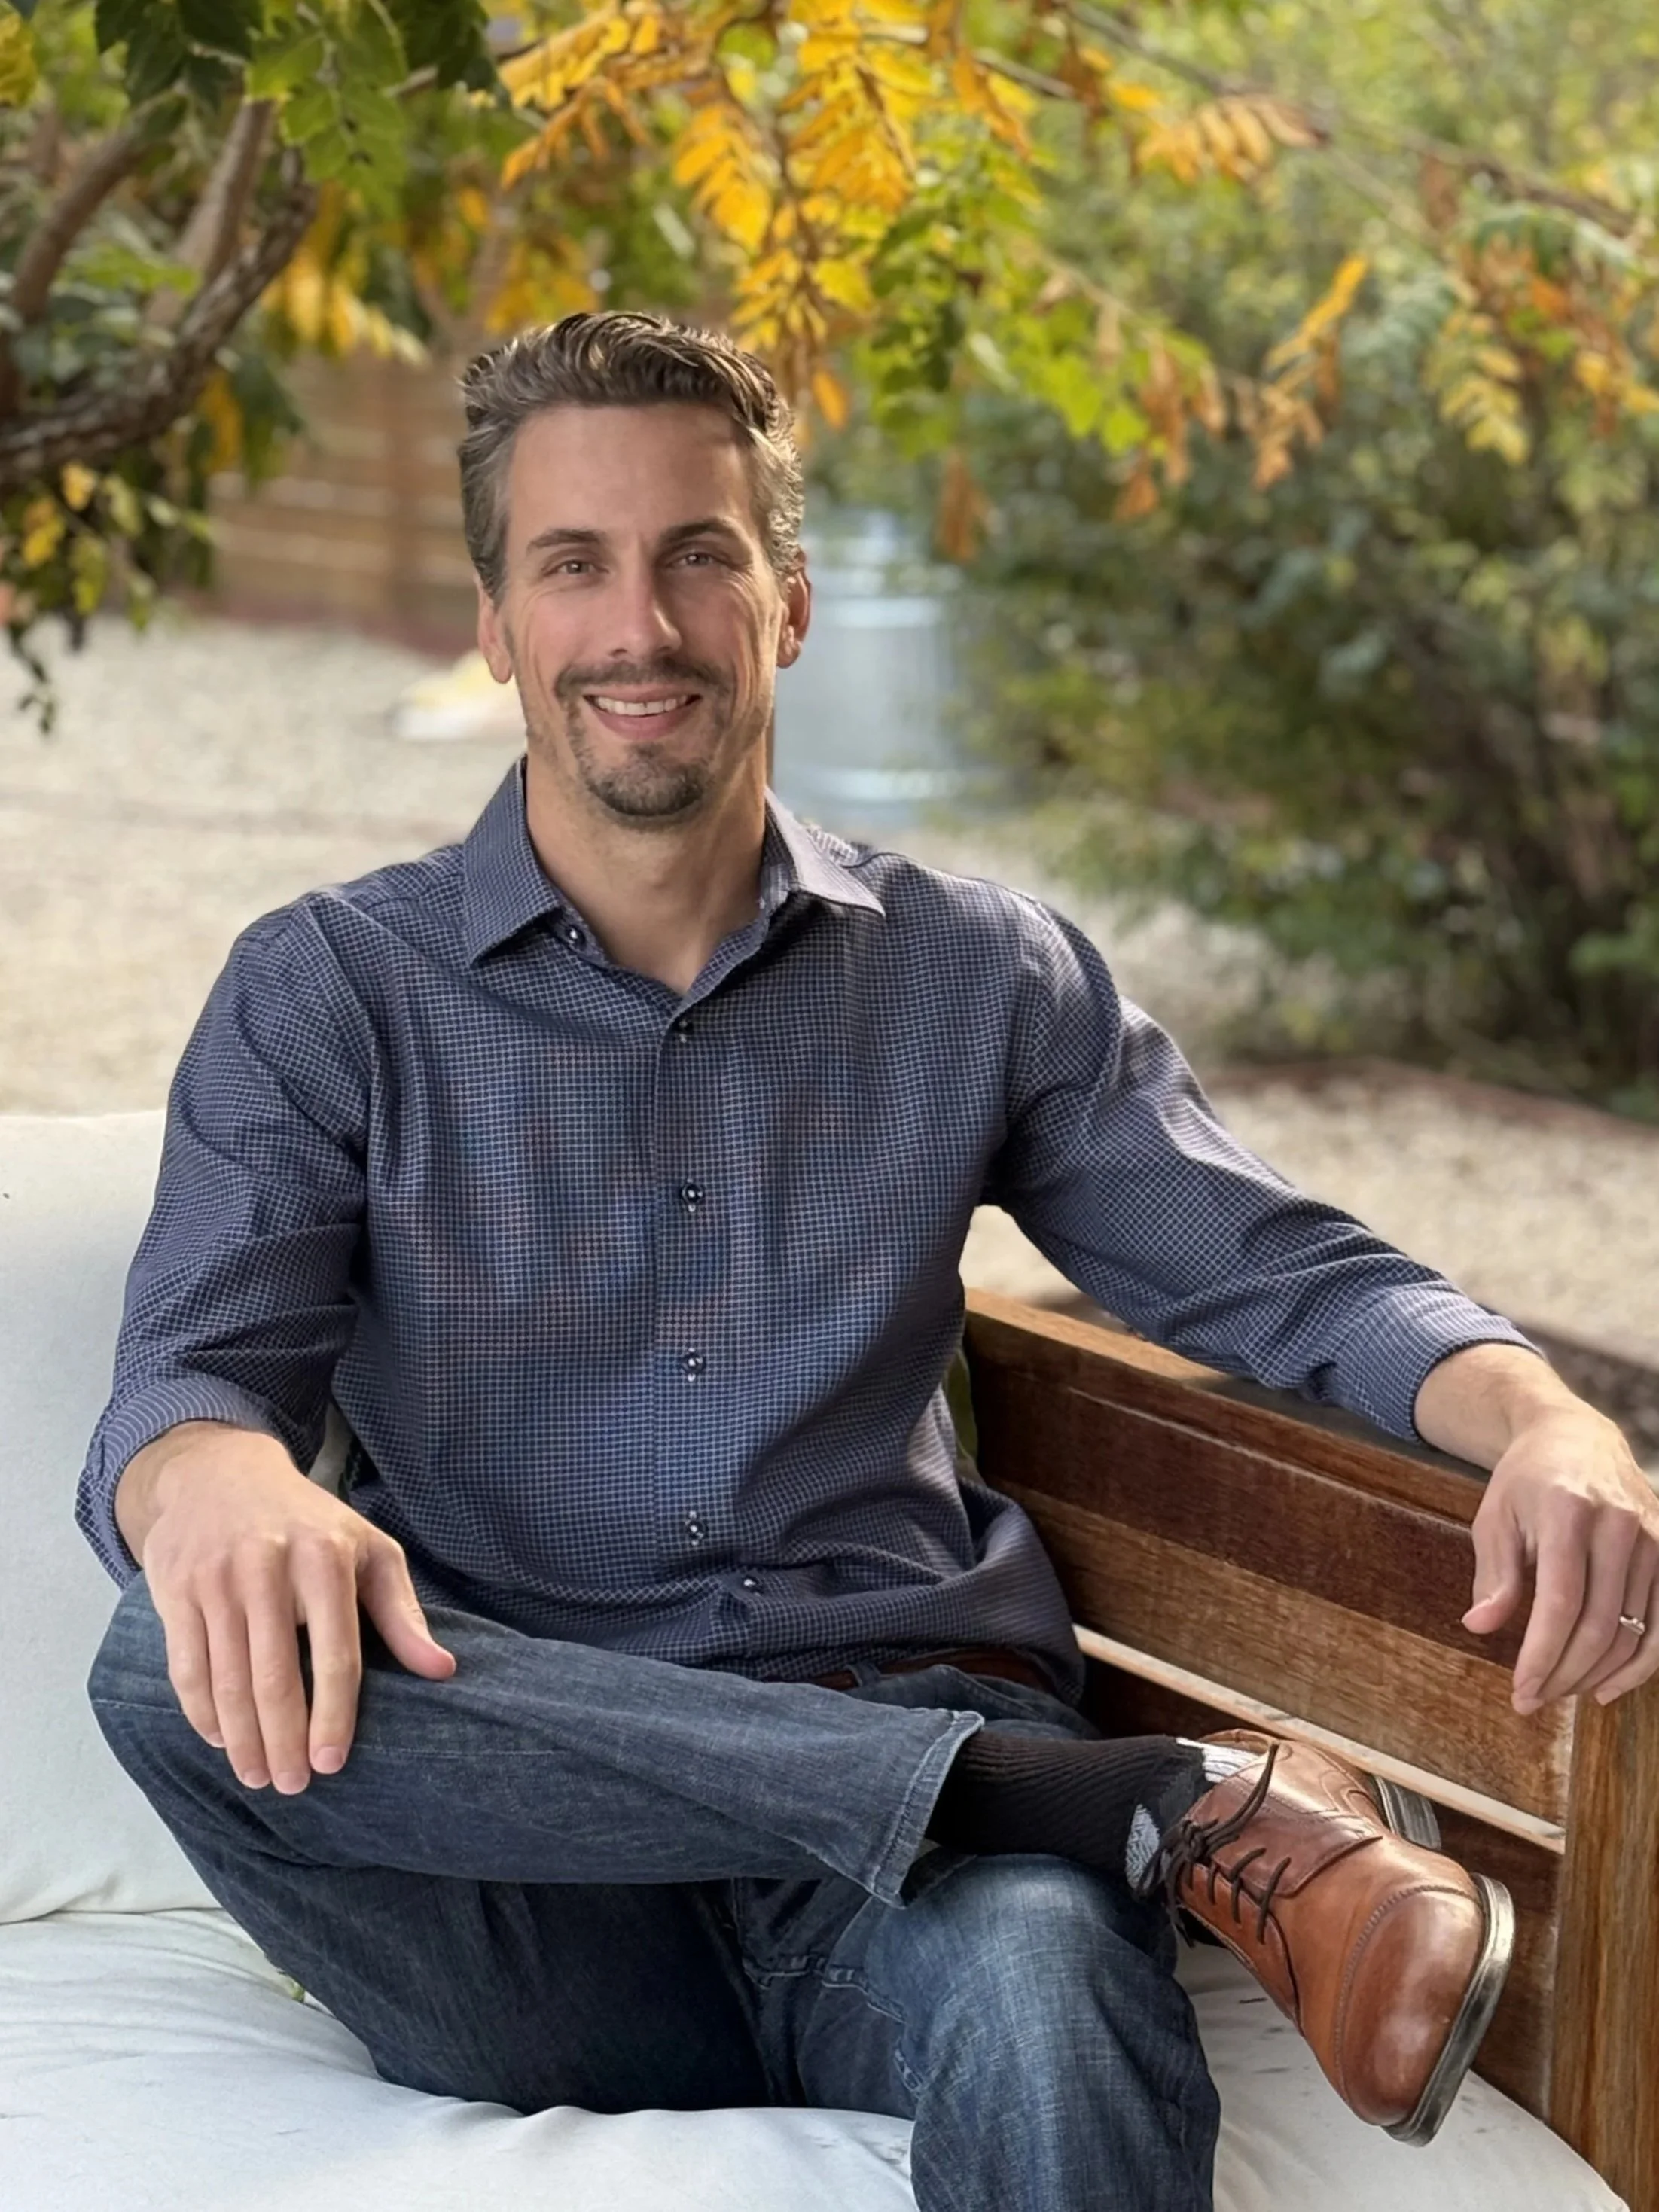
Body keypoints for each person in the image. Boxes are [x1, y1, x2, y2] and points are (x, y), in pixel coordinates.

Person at [79, 312, 1658, 2212]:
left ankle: (1027, 1811)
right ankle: (1122, 1805)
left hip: (915, 1795)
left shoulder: (976, 973)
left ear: (791, 603)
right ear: (494, 623)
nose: (639, 626)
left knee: (1050, 1990)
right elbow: (190, 1375)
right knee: (160, 1656)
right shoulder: (329, 989)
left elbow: (1274, 1269)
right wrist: (214, 1475)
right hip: (535, 1875)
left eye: (698, 555)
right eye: (573, 564)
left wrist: (1545, 1419)